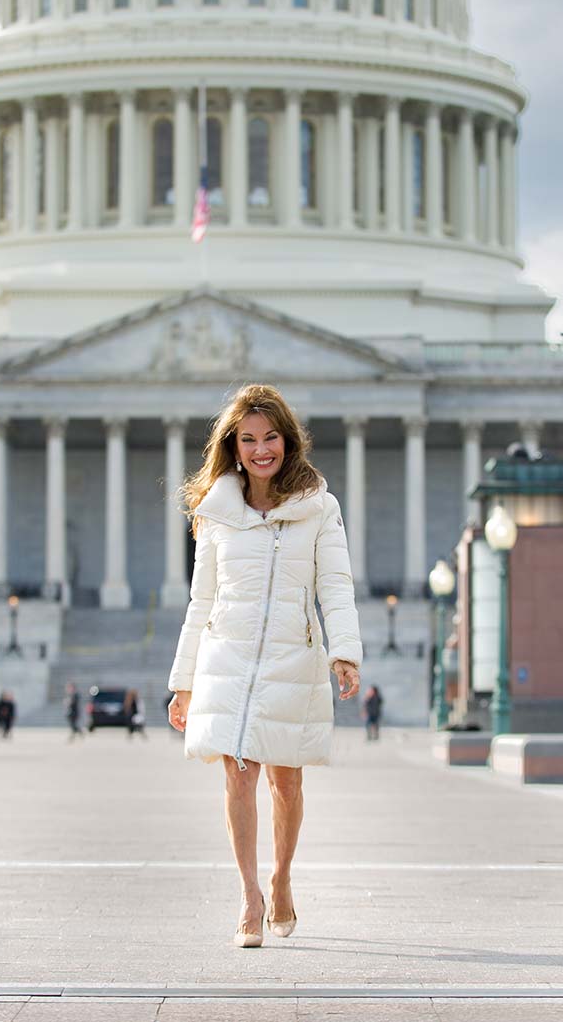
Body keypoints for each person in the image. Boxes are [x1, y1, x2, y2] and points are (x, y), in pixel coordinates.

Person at [167, 383, 362, 948]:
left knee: (286, 780)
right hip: (228, 655)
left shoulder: (319, 507)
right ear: (233, 445)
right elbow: (200, 600)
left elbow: (336, 583)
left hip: (291, 655)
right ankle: (249, 894)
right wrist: (182, 682)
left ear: (287, 439)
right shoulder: (217, 512)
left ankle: (281, 877)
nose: (260, 450)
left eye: (270, 437)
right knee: (238, 773)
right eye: (248, 439)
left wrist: (343, 651)